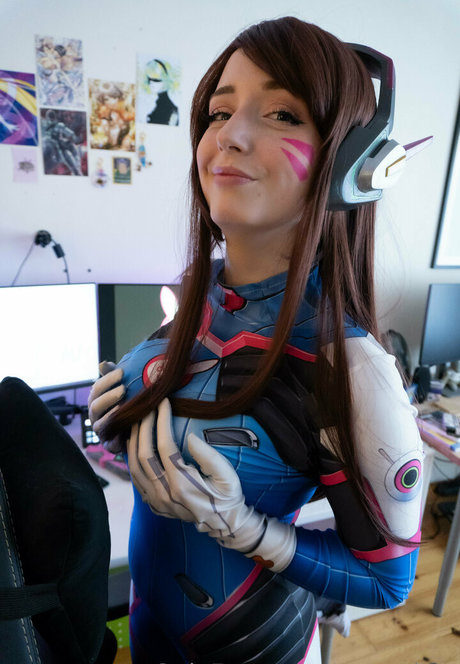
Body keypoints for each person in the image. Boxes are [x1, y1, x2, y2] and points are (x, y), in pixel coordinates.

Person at [89, 17, 424, 664]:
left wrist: (245, 530)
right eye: (219, 111)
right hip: (149, 631)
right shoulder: (194, 300)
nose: (229, 136)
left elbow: (388, 580)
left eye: (281, 114)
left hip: (253, 644)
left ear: (353, 162)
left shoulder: (350, 367)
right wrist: (122, 426)